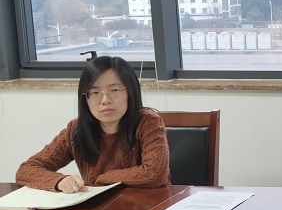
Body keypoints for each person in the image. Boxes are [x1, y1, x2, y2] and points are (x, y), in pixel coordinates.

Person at [16, 56, 170, 193]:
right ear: (85, 99)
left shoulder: (149, 122)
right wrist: (59, 181)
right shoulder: (76, 129)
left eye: (114, 90)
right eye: (95, 92)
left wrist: (105, 178)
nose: (105, 100)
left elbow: (154, 175)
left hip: (147, 208)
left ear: (130, 92)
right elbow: (26, 170)